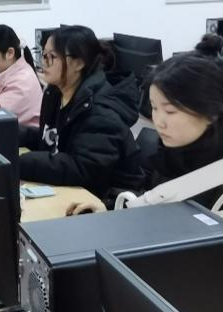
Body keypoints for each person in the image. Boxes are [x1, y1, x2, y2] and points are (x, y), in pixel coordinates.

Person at [67, 52, 223, 312]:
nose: (159, 121)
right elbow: (160, 205)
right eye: (154, 108)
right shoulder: (179, 153)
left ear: (211, 112)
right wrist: (109, 210)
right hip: (191, 298)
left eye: (171, 111)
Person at [19, 25, 143, 197]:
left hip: (109, 199)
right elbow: (51, 138)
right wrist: (12, 133)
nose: (43, 62)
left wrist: (20, 163)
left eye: (51, 57)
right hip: (75, 190)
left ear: (78, 63)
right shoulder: (56, 93)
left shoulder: (100, 110)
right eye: (43, 55)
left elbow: (84, 168)